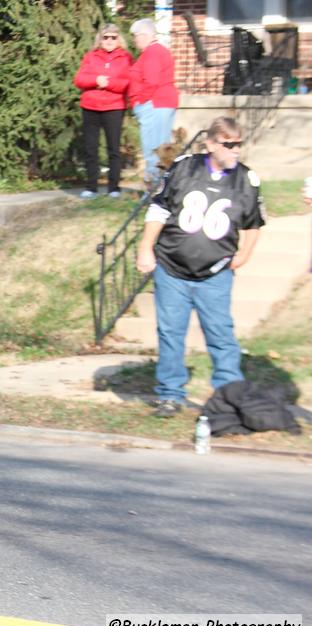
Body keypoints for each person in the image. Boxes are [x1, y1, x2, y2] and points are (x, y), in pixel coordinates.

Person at [135, 116, 264, 417]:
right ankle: (170, 394)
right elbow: (159, 208)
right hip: (171, 266)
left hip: (215, 272)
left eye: (238, 144)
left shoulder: (246, 179)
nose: (235, 150)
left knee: (220, 333)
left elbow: (254, 223)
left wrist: (244, 255)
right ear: (211, 143)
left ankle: (228, 394)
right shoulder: (184, 168)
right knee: (170, 332)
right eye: (228, 144)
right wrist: (145, 248)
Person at [74, 24, 132, 199]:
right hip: (90, 107)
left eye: (113, 37)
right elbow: (79, 79)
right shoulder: (91, 57)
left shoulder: (126, 58)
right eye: (106, 37)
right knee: (91, 148)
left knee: (113, 149)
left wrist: (110, 83)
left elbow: (128, 82)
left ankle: (113, 187)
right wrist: (96, 80)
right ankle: (91, 187)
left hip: (114, 107)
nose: (109, 41)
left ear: (118, 39)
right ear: (100, 38)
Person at [128, 18, 179, 189]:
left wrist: (139, 102)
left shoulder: (152, 53)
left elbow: (151, 81)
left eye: (136, 36)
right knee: (162, 148)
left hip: (154, 104)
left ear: (144, 35)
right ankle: (163, 187)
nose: (135, 40)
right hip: (161, 103)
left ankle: (155, 190)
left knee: (154, 149)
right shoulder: (159, 51)